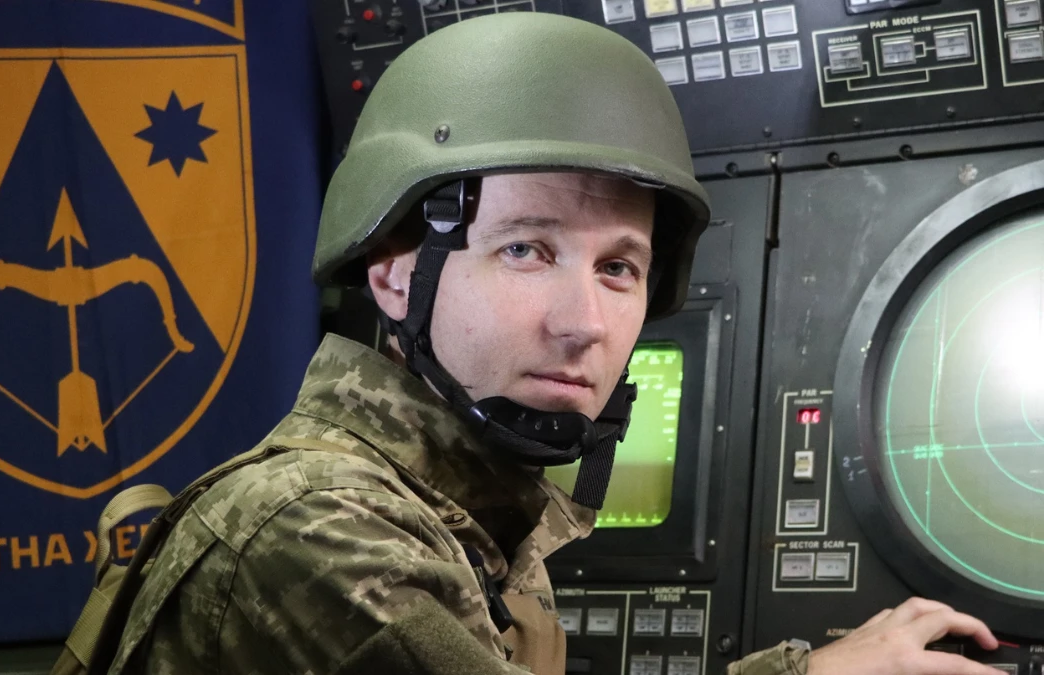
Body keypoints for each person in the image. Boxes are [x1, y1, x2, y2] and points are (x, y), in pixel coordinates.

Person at [105, 12, 1007, 675]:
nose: (584, 322)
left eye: (618, 267)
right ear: (394, 273)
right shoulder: (313, 532)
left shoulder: (462, 510)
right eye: (526, 250)